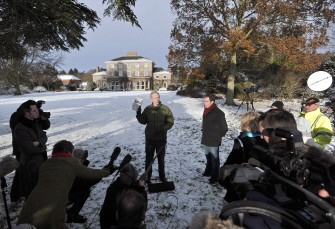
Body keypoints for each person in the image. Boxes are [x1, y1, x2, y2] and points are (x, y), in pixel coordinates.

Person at [17, 140, 110, 229]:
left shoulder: (46, 163)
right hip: (53, 206)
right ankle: (71, 215)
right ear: (69, 152)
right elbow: (91, 173)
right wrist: (106, 171)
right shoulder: (72, 162)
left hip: (31, 203)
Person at [10, 100, 51, 203]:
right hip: (23, 152)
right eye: (35, 109)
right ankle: (16, 196)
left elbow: (44, 134)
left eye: (37, 109)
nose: (37, 111)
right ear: (26, 112)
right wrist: (41, 143)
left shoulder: (34, 121)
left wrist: (43, 118)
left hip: (39, 154)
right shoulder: (18, 121)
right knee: (24, 175)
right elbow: (30, 147)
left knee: (38, 177)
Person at [222, 111, 267, 202]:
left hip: (242, 181)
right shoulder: (265, 140)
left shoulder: (242, 141)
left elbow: (230, 163)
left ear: (244, 124)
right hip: (261, 183)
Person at [136, 91, 174, 184]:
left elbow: (170, 121)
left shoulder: (165, 109)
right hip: (150, 138)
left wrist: (163, 129)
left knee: (161, 159)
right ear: (151, 99)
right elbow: (143, 121)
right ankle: (147, 178)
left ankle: (162, 177)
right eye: (154, 98)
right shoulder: (147, 109)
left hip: (161, 138)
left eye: (158, 97)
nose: (157, 99)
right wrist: (138, 113)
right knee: (149, 158)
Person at [100, 163, 147, 229]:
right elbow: (142, 207)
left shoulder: (113, 187)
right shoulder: (127, 196)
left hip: (106, 223)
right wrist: (141, 188)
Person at [201, 94, 228, 184]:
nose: (204, 103)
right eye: (204, 101)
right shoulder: (206, 110)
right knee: (208, 156)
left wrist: (217, 135)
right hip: (206, 138)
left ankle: (215, 176)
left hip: (214, 140)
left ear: (212, 102)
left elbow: (224, 128)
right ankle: (208, 171)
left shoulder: (219, 113)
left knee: (215, 159)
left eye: (206, 101)